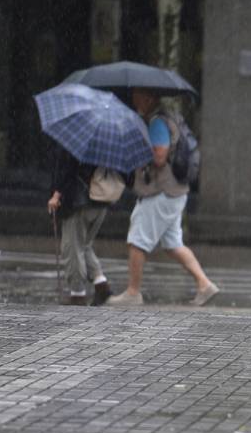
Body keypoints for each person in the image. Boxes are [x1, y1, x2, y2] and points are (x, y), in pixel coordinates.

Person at [108, 89, 219, 307]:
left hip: (161, 191)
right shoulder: (171, 117)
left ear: (148, 98)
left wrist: (139, 150)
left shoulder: (158, 122)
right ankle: (204, 284)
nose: (134, 100)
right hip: (176, 191)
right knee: (173, 243)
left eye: (138, 96)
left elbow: (159, 157)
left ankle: (133, 292)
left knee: (137, 241)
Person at [47, 147, 112, 306]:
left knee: (72, 247)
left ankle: (77, 294)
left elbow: (68, 168)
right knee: (84, 244)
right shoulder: (106, 142)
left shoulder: (77, 141)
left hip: (79, 201)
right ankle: (100, 283)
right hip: (101, 200)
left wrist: (56, 195)